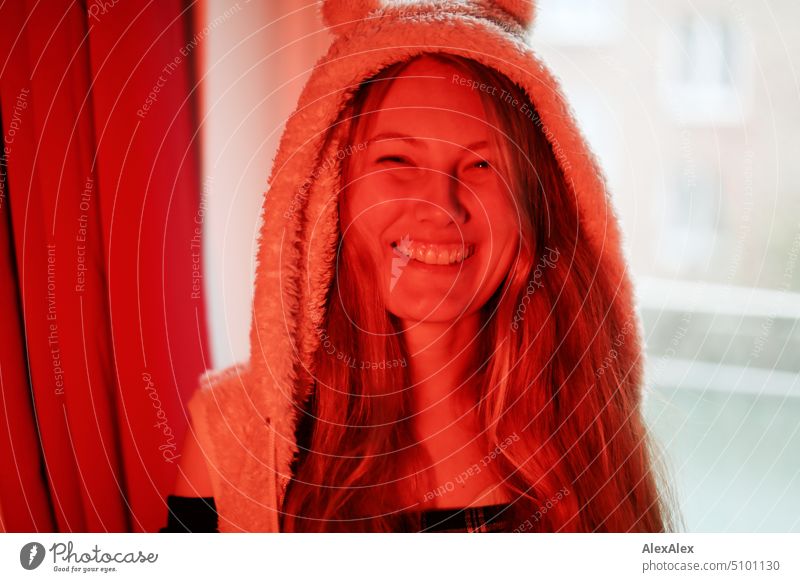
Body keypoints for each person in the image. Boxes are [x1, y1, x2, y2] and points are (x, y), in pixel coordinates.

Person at [161, 0, 677, 533]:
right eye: (396, 160)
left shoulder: (591, 429)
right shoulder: (233, 432)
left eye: (482, 164)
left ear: (533, 201)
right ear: (330, 188)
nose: (440, 207)